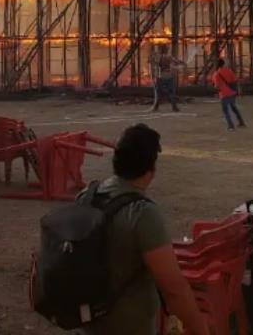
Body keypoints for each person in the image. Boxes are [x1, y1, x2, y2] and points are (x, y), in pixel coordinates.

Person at [79, 124, 209, 335]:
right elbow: (174, 290)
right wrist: (200, 329)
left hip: (89, 321)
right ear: (152, 169)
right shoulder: (142, 213)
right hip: (127, 325)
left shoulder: (89, 194)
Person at [212, 58, 245, 131]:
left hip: (223, 95)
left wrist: (217, 92)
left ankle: (231, 126)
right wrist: (239, 91)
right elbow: (235, 81)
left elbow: (216, 86)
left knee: (226, 111)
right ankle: (241, 122)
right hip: (232, 93)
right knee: (234, 108)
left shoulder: (216, 74)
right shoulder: (229, 71)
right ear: (223, 64)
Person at [149, 43, 184, 112]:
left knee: (158, 93)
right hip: (168, 76)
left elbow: (153, 64)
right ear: (166, 50)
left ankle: (156, 107)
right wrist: (182, 63)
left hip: (161, 76)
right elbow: (176, 61)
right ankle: (174, 107)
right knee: (171, 93)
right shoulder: (168, 57)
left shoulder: (158, 57)